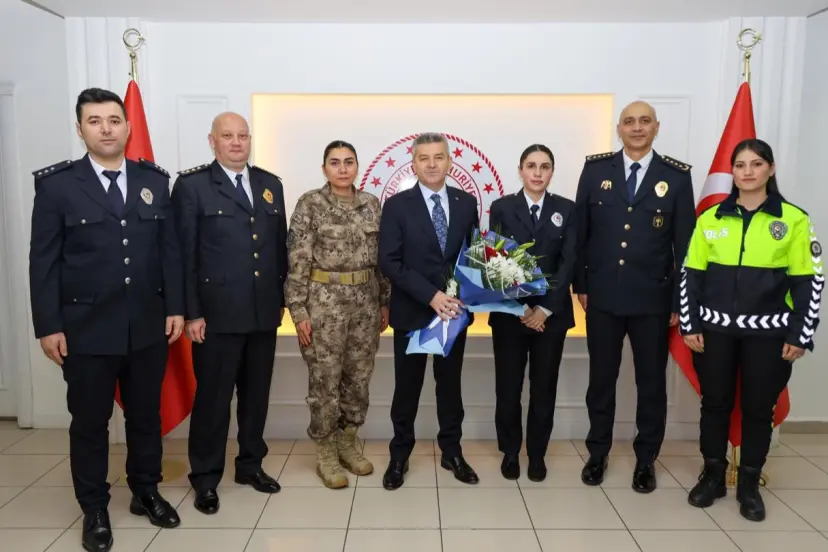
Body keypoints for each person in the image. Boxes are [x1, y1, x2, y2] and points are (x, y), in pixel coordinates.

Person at [29, 87, 185, 552]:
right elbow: (43, 262)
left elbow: (169, 251)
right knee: (90, 423)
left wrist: (175, 306)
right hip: (86, 330)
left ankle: (145, 490)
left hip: (147, 325)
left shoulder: (153, 180)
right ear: (80, 129)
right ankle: (94, 507)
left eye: (114, 120)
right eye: (95, 121)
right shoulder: (57, 186)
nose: (106, 128)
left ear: (128, 126)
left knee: (145, 416)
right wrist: (48, 325)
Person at [680, 139, 823, 521]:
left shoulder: (793, 220)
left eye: (756, 164)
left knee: (759, 409)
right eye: (740, 165)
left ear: (770, 169)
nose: (747, 171)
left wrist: (801, 333)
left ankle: (748, 485)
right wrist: (690, 323)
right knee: (715, 404)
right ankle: (713, 476)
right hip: (715, 332)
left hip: (769, 334)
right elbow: (691, 275)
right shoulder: (711, 218)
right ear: (732, 171)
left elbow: (809, 281)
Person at [573, 100, 696, 492]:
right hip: (603, 298)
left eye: (645, 121)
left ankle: (646, 460)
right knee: (601, 380)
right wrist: (581, 285)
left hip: (653, 301)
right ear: (619, 129)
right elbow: (580, 234)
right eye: (630, 121)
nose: (637, 127)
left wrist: (678, 302)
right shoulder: (596, 171)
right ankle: (598, 453)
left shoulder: (675, 177)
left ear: (656, 127)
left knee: (651, 383)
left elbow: (686, 247)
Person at [170, 112, 287, 515]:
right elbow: (183, 255)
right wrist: (191, 313)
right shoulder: (192, 187)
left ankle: (250, 465)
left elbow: (278, 250)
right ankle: (205, 478)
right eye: (227, 136)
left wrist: (281, 302)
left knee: (256, 398)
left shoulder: (270, 185)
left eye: (242, 135)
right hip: (215, 317)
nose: (237, 142)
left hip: (262, 313)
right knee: (214, 401)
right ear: (212, 141)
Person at [285, 140, 391, 489]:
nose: (343, 168)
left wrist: (384, 301)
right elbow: (297, 260)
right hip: (323, 306)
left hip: (365, 303)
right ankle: (326, 451)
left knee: (358, 379)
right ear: (324, 168)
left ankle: (347, 442)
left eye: (349, 162)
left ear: (357, 166)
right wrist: (298, 310)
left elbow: (381, 260)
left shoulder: (371, 204)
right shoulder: (310, 204)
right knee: (325, 381)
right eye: (335, 162)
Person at [378, 132, 480, 489]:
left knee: (450, 387)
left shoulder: (467, 202)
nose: (432, 164)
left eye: (439, 157)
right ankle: (399, 455)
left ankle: (452, 452)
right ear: (414, 163)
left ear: (450, 161)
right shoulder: (396, 205)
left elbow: (473, 255)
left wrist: (466, 294)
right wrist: (431, 295)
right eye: (424, 158)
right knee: (407, 389)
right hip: (412, 312)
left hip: (454, 313)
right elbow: (389, 261)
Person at [488, 144, 577, 482]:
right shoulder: (502, 207)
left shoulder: (566, 209)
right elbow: (496, 260)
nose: (538, 173)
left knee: (544, 388)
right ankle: (510, 451)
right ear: (520, 170)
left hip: (551, 317)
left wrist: (545, 308)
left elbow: (568, 261)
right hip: (511, 314)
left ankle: (537, 453)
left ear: (552, 171)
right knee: (508, 387)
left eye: (544, 166)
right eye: (531, 166)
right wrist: (523, 307)